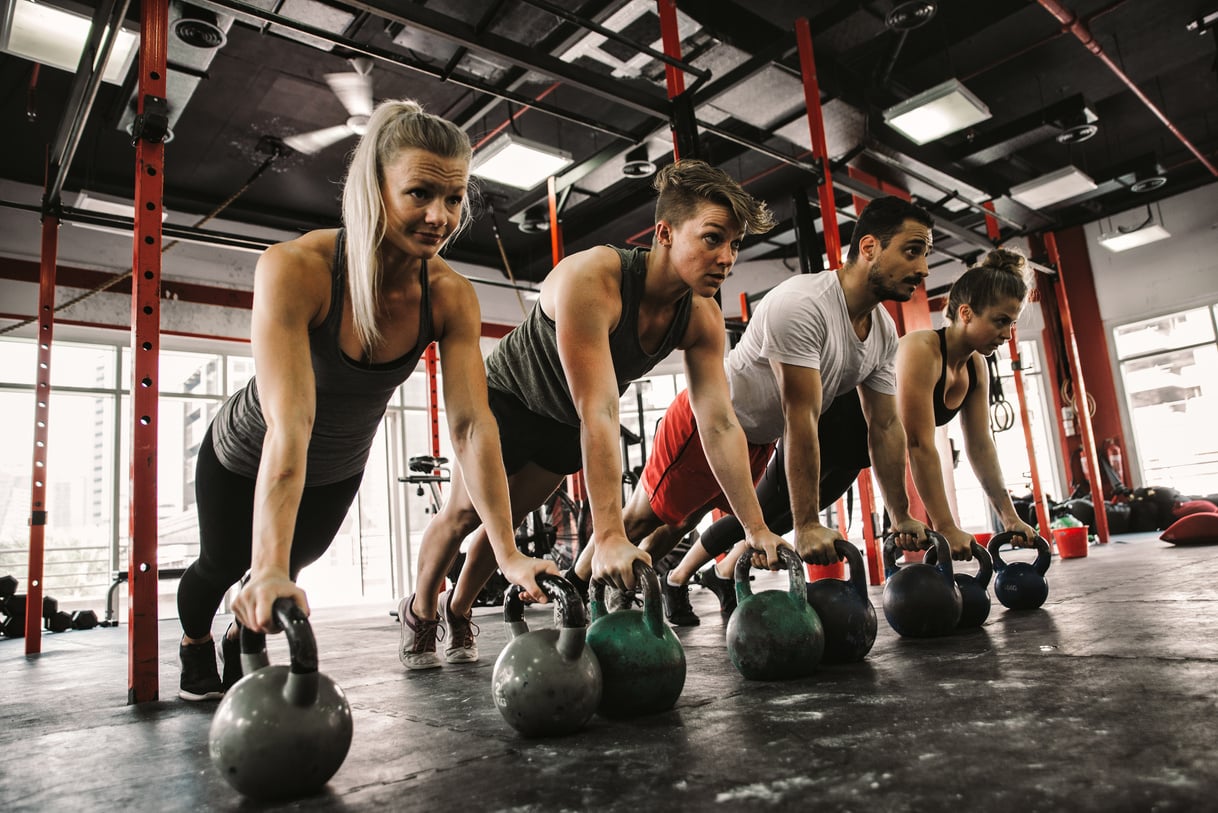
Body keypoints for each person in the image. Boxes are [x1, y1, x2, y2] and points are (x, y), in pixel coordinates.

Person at [174, 99, 555, 701]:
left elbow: (472, 425)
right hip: (251, 449)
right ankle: (195, 642)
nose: (440, 216)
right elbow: (290, 423)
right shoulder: (296, 268)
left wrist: (506, 553)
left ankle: (238, 628)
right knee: (224, 564)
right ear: (374, 189)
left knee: (293, 566)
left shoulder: (450, 295)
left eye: (454, 198)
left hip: (337, 463)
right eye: (420, 194)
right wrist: (264, 563)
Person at [401, 158, 788, 669]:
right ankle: (422, 611)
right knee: (463, 515)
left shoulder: (701, 317)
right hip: (508, 402)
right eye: (713, 238)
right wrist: (607, 532)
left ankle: (459, 610)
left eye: (735, 244)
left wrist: (755, 525)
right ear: (665, 233)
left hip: (563, 426)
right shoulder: (594, 278)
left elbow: (717, 422)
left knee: (512, 521)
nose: (727, 258)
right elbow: (600, 408)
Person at [619, 196, 937, 626]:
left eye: (926, 254)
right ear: (868, 248)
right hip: (707, 422)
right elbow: (800, 418)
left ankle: (621, 594)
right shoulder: (804, 304)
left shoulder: (882, 331)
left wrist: (900, 513)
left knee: (680, 523)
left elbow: (884, 425)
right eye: (912, 250)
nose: (923, 269)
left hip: (755, 442)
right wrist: (806, 523)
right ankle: (588, 591)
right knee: (644, 519)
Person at [894, 247, 1039, 557]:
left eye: (1011, 324)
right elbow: (918, 443)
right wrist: (946, 526)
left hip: (858, 459)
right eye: (1001, 321)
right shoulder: (921, 349)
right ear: (966, 313)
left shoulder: (975, 366)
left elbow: (981, 445)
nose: (1007, 334)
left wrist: (1009, 518)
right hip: (828, 443)